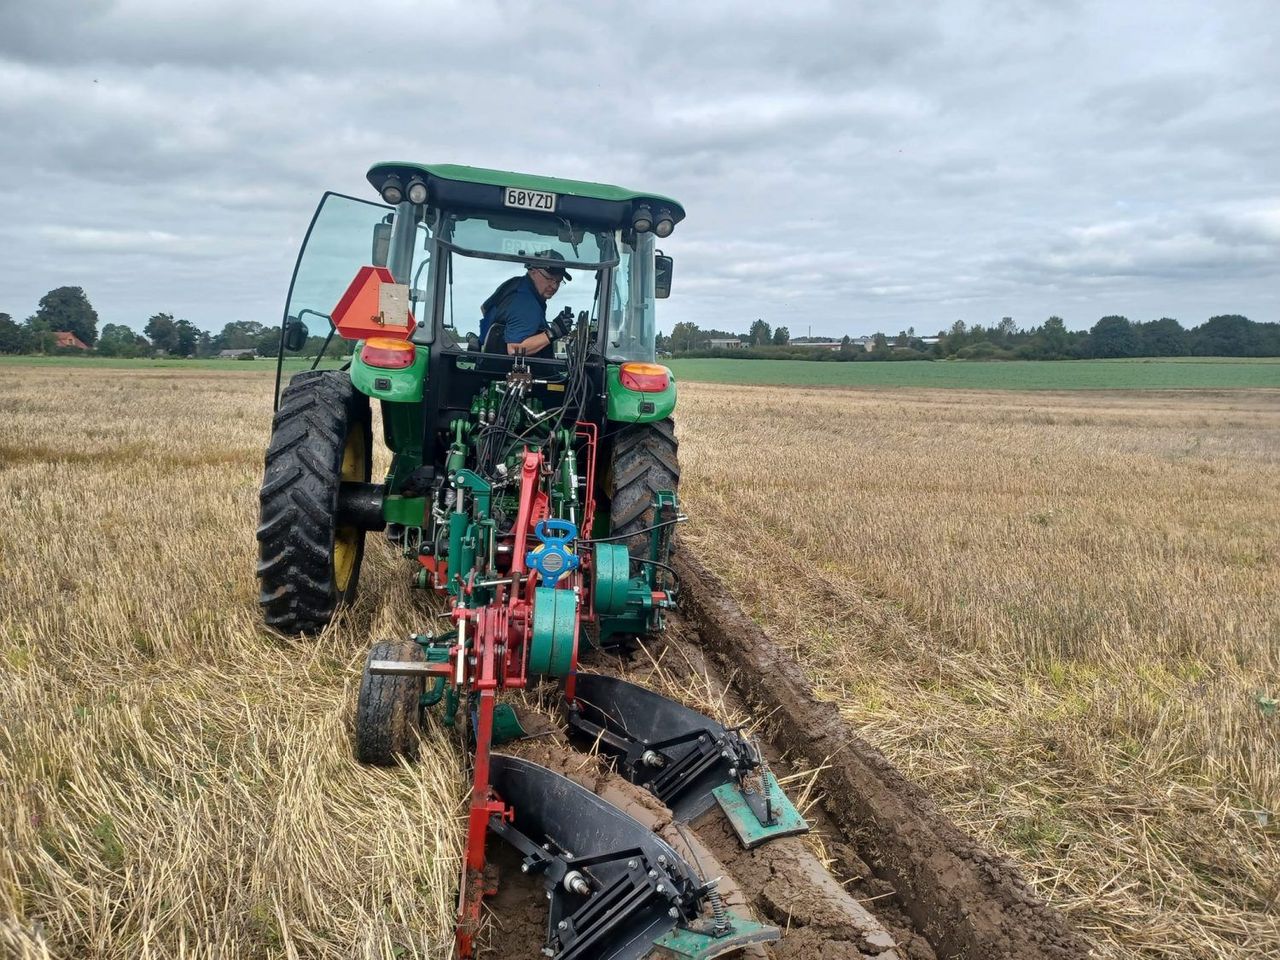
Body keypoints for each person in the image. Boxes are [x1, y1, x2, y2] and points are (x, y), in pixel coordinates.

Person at [479, 250, 574, 357]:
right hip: (509, 370)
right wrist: (553, 332)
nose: (554, 286)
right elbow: (514, 349)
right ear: (533, 271)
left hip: (486, 363)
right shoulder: (526, 303)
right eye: (550, 279)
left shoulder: (514, 284)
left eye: (558, 281)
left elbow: (484, 309)